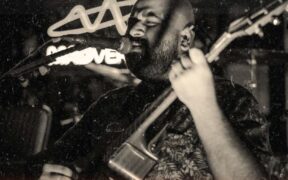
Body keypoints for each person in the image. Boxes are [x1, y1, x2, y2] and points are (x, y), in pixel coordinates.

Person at [27, 0, 272, 179]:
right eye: (133, 21)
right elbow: (47, 162)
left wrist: (204, 106)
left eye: (150, 21)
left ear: (184, 40)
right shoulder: (111, 103)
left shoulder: (231, 100)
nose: (134, 30)